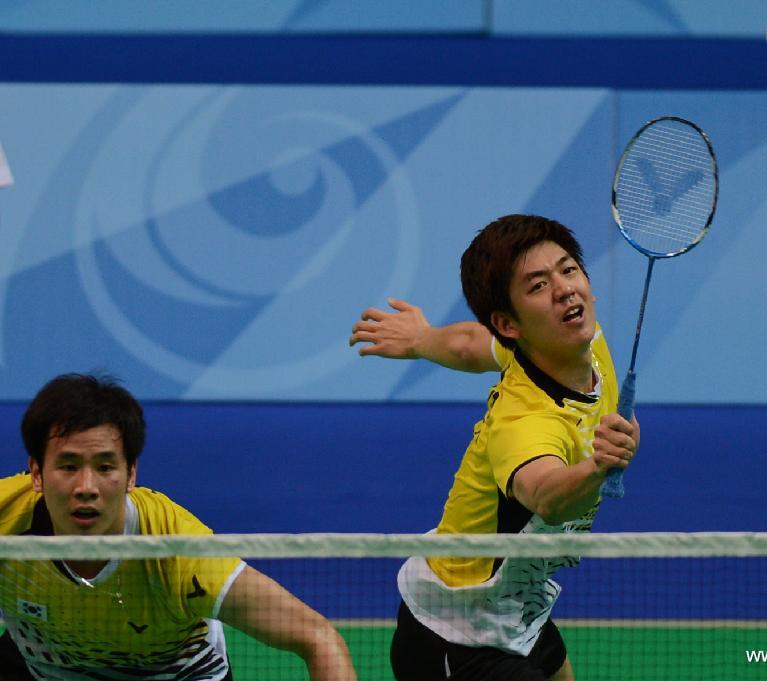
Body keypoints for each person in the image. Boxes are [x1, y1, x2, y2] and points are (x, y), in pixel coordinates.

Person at [349, 214, 640, 681]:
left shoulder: (579, 344)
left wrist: (423, 339)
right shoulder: (523, 421)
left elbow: (469, 344)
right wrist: (600, 466)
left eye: (568, 270)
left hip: (517, 609)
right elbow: (546, 494)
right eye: (539, 285)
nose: (565, 290)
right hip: (455, 632)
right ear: (510, 323)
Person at [0, 373, 357, 681]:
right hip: (46, 669)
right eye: (68, 466)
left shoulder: (177, 548)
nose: (87, 487)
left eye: (106, 467)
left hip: (174, 673)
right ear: (36, 473)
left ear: (131, 475)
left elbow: (318, 636)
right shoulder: (6, 518)